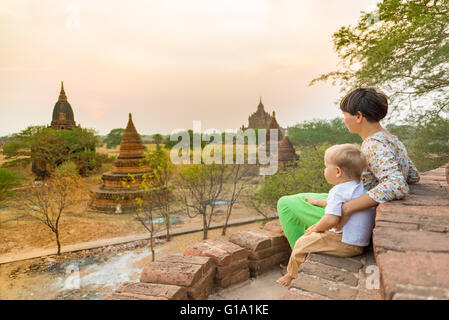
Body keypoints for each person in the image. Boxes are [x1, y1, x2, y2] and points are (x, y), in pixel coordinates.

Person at [277, 87, 420, 254]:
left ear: (358, 116)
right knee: (303, 198)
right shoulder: (391, 138)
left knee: (286, 204)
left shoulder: (373, 145)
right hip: (359, 200)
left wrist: (348, 208)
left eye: (345, 116)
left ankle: (300, 255)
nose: (343, 121)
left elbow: (397, 185)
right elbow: (413, 175)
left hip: (358, 216)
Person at [277, 144, 375, 287]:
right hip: (360, 241)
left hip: (346, 243)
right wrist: (317, 202)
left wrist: (316, 228)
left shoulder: (338, 190)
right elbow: (334, 202)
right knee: (311, 237)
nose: (324, 170)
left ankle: (291, 275)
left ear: (337, 171)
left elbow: (331, 219)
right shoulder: (359, 187)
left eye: (325, 166)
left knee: (302, 243)